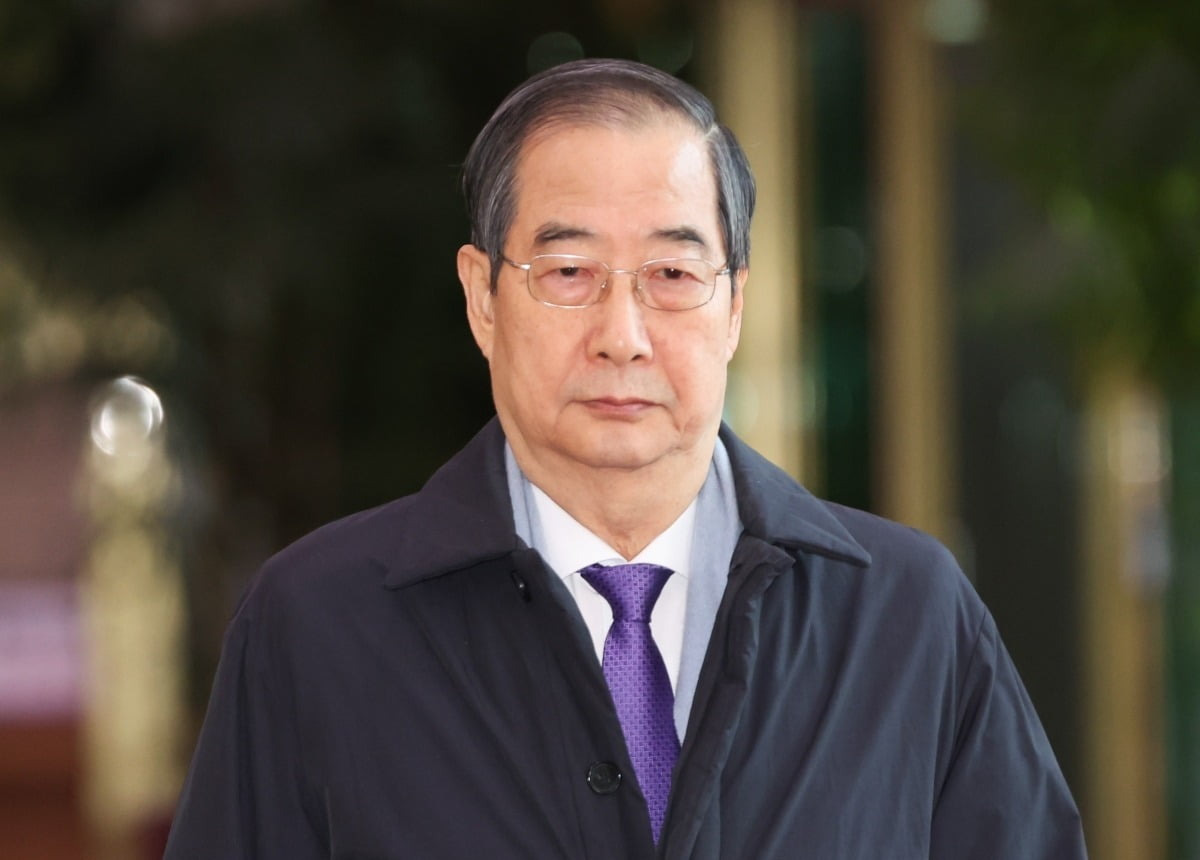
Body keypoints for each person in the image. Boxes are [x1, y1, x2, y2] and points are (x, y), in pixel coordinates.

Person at [164, 58, 1086, 859]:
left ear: (734, 305)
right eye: (569, 273)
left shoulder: (907, 617)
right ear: (483, 299)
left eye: (673, 275)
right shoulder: (316, 627)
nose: (623, 335)